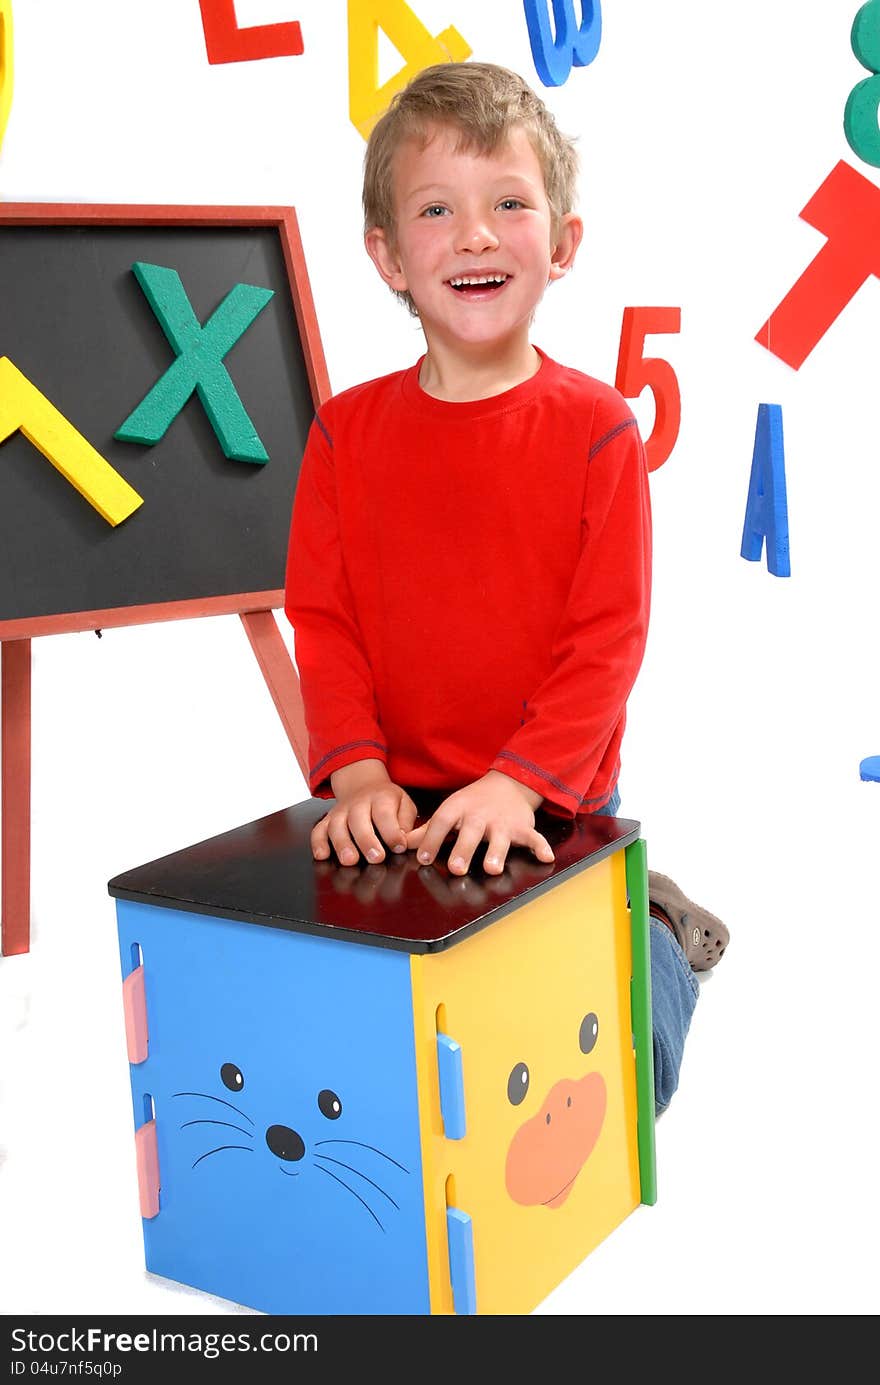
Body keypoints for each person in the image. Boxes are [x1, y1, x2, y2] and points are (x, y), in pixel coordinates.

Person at [284, 61, 728, 1113]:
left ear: (561, 244)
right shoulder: (346, 430)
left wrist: (519, 781)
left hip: (553, 803)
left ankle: (653, 929)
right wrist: (353, 777)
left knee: (607, 1075)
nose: (475, 234)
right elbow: (326, 620)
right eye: (437, 209)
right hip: (395, 804)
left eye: (508, 204)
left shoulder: (595, 429)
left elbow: (605, 640)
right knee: (393, 1063)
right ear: (388, 256)